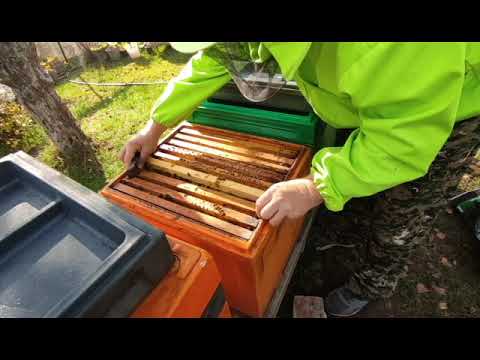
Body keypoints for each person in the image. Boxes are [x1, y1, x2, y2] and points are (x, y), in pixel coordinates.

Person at [120, 42, 480, 317]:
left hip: (450, 108)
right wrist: (156, 125)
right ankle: (353, 226)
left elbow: (405, 139)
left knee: (404, 208)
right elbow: (215, 59)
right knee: (365, 181)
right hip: (389, 94)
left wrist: (315, 186)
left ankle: (376, 279)